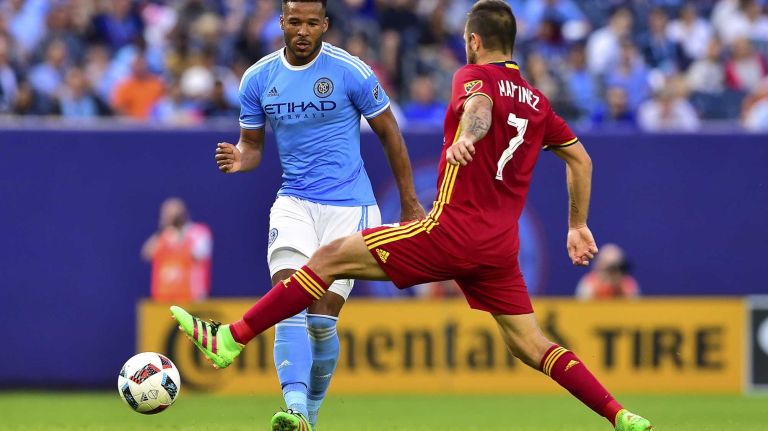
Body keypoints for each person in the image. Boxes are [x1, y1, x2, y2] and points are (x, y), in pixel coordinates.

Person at [171, 2, 653, 430]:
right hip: (499, 249)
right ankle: (619, 415)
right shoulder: (540, 103)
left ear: (473, 41)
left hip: (450, 231)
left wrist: (470, 134)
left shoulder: (473, 77)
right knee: (532, 344)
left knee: (327, 259)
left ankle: (231, 339)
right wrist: (577, 223)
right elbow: (581, 161)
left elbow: (480, 108)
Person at [209, 1, 424, 430]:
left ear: (325, 24)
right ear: (282, 23)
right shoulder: (258, 79)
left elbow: (389, 133)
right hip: (294, 202)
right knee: (289, 300)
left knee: (322, 323)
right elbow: (252, 146)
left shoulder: (351, 71)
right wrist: (240, 157)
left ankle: (311, 412)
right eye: (294, 22)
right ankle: (295, 409)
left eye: (312, 23)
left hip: (350, 208)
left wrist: (410, 202)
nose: (303, 31)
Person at [141, 197, 212, 303]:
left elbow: (199, 255)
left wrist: (179, 237)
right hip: (164, 298)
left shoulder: (198, 232)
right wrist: (162, 232)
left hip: (191, 297)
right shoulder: (164, 236)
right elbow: (147, 254)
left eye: (173, 214)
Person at [575, 243, 640, 300]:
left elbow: (634, 309)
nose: (614, 273)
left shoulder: (628, 285)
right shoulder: (588, 285)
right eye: (610, 269)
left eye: (617, 268)